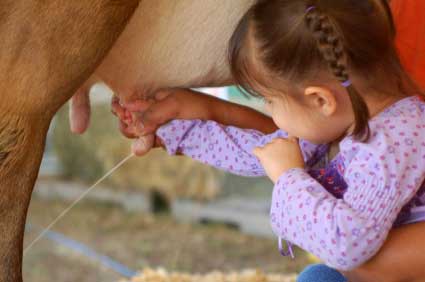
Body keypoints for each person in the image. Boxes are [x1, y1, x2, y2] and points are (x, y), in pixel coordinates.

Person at [113, 0, 425, 281]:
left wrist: (289, 178)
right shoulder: (350, 117)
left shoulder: (393, 144)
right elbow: (255, 153)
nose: (267, 110)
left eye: (269, 100)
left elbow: (347, 246)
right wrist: (173, 129)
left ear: (320, 100)